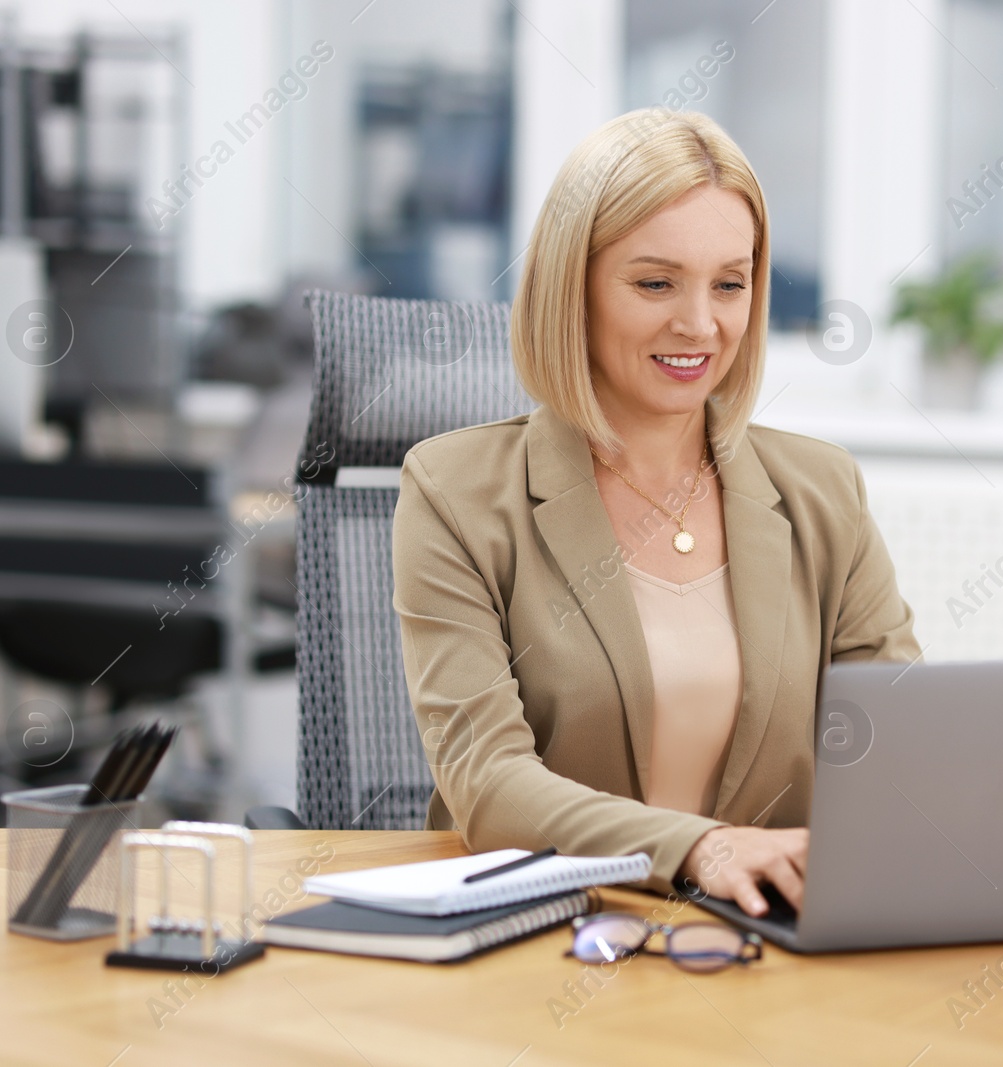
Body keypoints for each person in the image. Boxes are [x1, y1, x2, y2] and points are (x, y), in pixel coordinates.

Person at [391, 107, 921, 918]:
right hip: (553, 938)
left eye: (730, 284)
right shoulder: (455, 492)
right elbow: (489, 784)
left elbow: (898, 743)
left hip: (772, 947)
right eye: (655, 282)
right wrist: (699, 847)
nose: (701, 325)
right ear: (574, 288)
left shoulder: (823, 489)